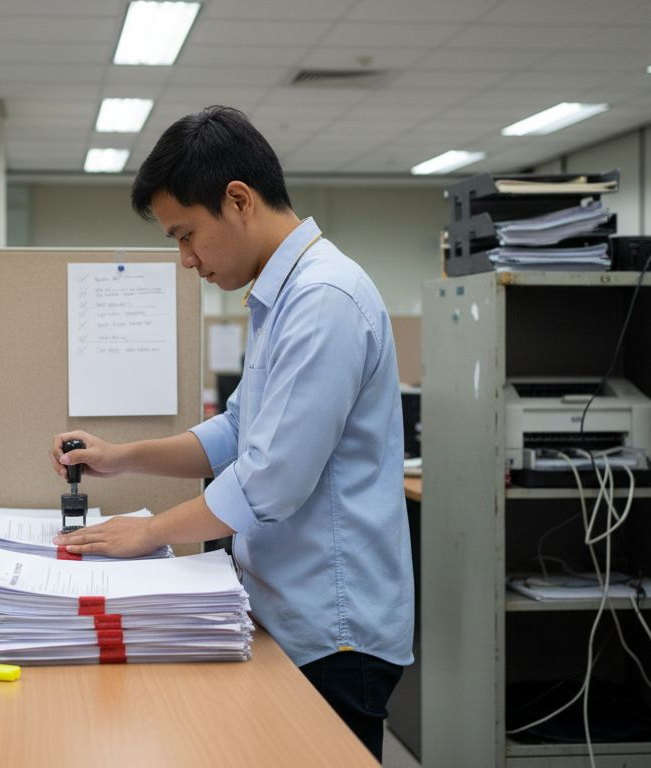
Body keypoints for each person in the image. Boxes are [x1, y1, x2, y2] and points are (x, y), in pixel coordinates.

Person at [50, 105, 413, 761]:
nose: (185, 259)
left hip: (333, 631)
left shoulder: (324, 299)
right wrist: (121, 457)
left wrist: (149, 533)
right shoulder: (283, 294)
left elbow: (270, 480)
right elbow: (240, 431)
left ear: (239, 200)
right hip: (289, 614)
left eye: (186, 235)